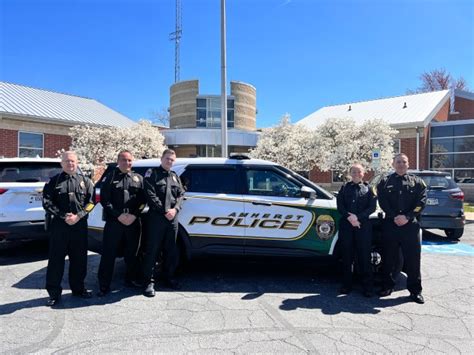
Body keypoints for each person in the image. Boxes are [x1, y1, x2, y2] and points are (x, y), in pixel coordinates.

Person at [42, 151, 95, 306]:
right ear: (61, 163)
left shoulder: (86, 181)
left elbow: (91, 203)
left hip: (79, 226)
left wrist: (78, 216)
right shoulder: (53, 182)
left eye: (72, 161)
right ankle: (53, 293)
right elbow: (47, 202)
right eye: (67, 161)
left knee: (79, 259)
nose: (70, 164)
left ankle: (78, 289)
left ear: (77, 162)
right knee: (56, 261)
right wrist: (63, 216)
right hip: (60, 227)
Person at [376, 153, 427, 304]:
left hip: (410, 226)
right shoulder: (385, 181)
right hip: (391, 224)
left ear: (408, 164)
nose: (401, 164)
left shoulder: (417, 182)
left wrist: (408, 216)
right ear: (393, 164)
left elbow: (421, 202)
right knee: (389, 258)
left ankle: (415, 291)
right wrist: (394, 216)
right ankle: (387, 286)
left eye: (403, 162)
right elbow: (383, 201)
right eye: (398, 162)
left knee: (413, 260)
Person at [97, 150, 145, 297]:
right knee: (108, 254)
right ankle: (104, 285)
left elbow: (144, 200)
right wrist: (118, 215)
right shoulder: (110, 177)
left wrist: (134, 215)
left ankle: (130, 279)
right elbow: (104, 200)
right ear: (118, 161)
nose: (127, 163)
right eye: (124, 160)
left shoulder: (138, 178)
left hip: (132, 221)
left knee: (132, 253)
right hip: (114, 221)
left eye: (129, 160)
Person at [142, 149, 184, 297]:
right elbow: (150, 194)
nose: (170, 162)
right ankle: (148, 282)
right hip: (157, 218)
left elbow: (180, 195)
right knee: (152, 250)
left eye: (172, 160)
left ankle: (168, 278)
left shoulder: (174, 176)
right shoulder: (152, 174)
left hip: (172, 219)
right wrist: (164, 210)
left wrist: (175, 209)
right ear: (161, 159)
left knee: (170, 250)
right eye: (167, 159)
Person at [336, 163, 377, 297]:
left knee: (364, 257)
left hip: (363, 226)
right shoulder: (344, 187)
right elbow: (340, 206)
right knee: (347, 256)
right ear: (350, 173)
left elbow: (372, 207)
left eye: (358, 172)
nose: (356, 174)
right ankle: (346, 285)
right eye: (353, 172)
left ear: (363, 173)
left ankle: (367, 287)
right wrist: (350, 217)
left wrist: (357, 217)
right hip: (347, 226)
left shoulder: (369, 189)